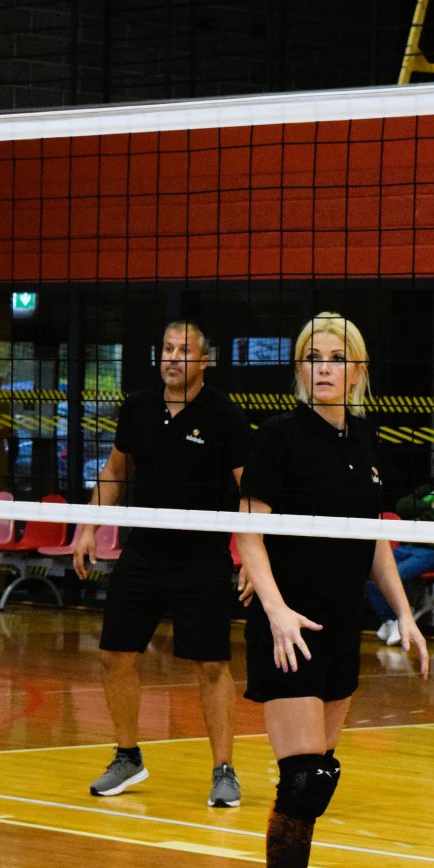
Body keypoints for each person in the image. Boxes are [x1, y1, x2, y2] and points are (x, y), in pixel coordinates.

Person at [234, 312, 428, 868]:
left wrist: (403, 613)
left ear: (358, 370)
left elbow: (373, 540)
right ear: (300, 368)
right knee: (302, 778)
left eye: (337, 357)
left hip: (342, 625)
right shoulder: (278, 438)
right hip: (289, 626)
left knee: (318, 780)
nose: (324, 367)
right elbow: (248, 536)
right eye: (313, 357)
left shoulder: (365, 441)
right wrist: (276, 610)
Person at [73, 321, 253, 807]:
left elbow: (249, 492)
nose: (172, 357)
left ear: (204, 360)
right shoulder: (138, 407)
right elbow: (114, 472)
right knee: (114, 655)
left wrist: (252, 556)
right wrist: (87, 528)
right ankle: (127, 756)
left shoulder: (225, 416)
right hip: (143, 553)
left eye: (183, 350)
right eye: (167, 349)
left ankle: (224, 770)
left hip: (202, 557)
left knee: (211, 665)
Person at [364, 446, 434, 645]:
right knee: (369, 571)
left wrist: (419, 515)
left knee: (395, 574)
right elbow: (402, 506)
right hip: (409, 547)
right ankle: (391, 621)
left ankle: (401, 619)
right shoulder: (427, 490)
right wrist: (430, 506)